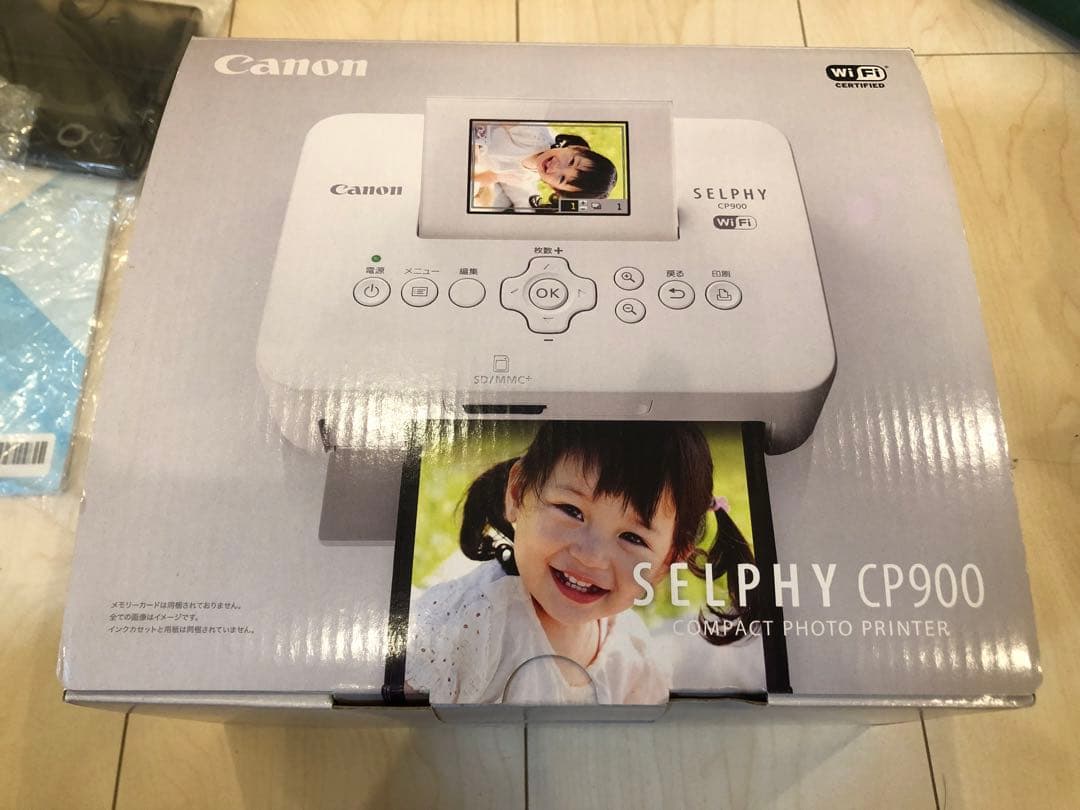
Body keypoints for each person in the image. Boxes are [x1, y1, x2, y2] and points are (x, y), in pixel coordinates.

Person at [407, 422, 762, 705]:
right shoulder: (468, 627)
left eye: (632, 537)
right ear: (517, 493)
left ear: (666, 564)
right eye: (571, 511)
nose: (589, 555)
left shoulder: (633, 657)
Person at [470, 124, 618, 211]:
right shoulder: (534, 135)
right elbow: (494, 113)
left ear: (555, 188)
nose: (556, 168)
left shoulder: (524, 178)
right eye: (571, 162)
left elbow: (491, 176)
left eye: (561, 179)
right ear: (577, 148)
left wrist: (473, 182)